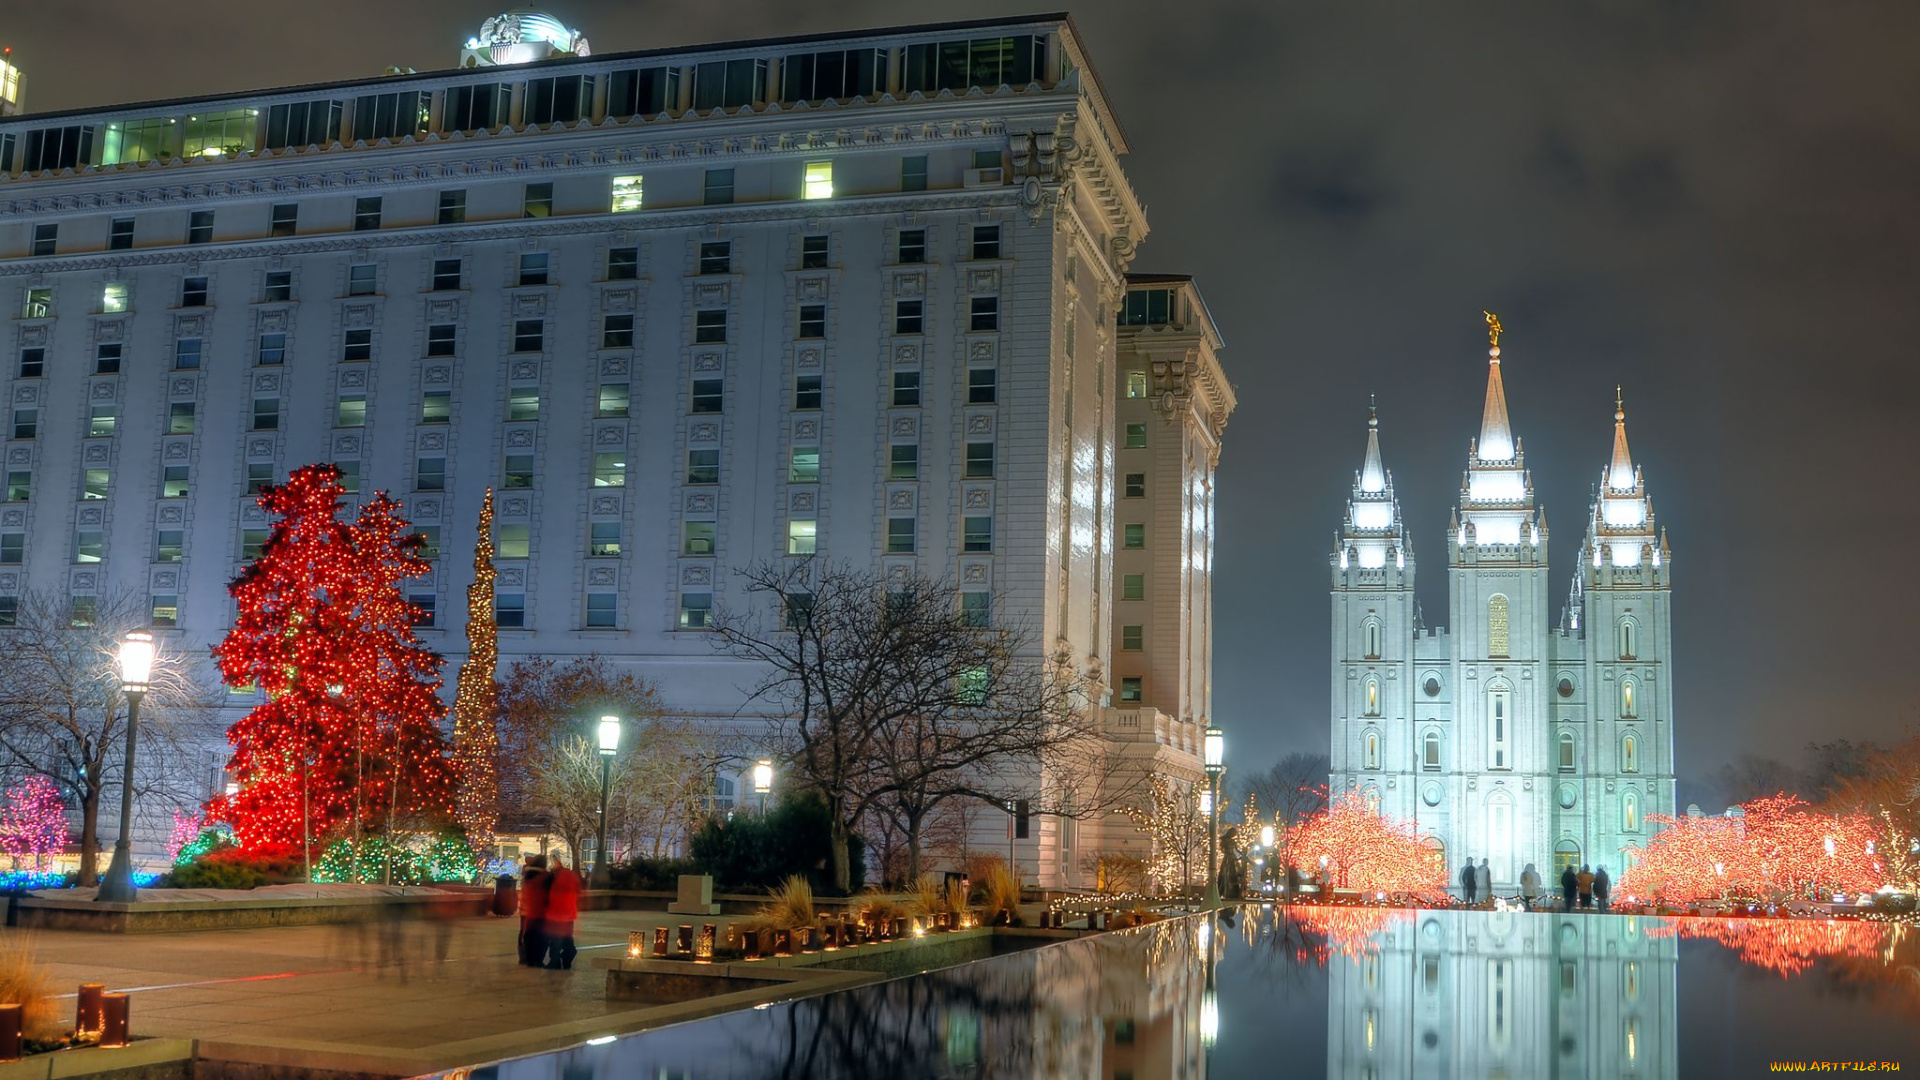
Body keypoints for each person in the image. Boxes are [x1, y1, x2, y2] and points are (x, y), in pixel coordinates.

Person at [543, 852, 582, 970]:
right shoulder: (571, 875)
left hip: (556, 912)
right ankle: (568, 956)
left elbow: (547, 893)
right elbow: (578, 890)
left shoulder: (553, 877)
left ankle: (554, 962)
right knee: (567, 937)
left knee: (555, 938)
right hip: (569, 912)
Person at [519, 854, 550, 966]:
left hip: (529, 909)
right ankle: (538, 960)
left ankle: (527, 959)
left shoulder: (527, 876)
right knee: (542, 937)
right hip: (542, 911)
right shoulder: (546, 877)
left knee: (528, 935)